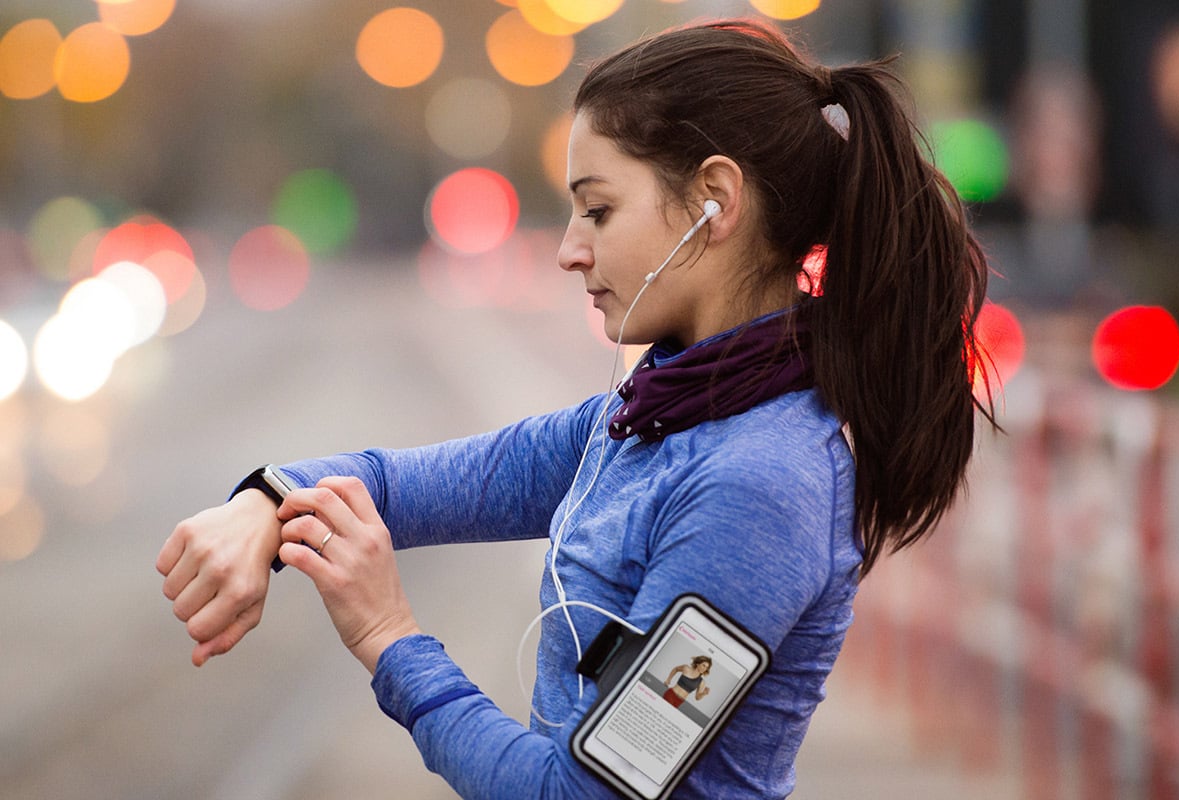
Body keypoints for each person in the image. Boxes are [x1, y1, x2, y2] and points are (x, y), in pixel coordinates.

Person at [156, 18, 996, 799]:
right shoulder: (645, 419)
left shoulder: (761, 486)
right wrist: (262, 501)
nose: (569, 250)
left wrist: (387, 636)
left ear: (716, 201)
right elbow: (399, 484)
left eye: (598, 209)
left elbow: (584, 792)